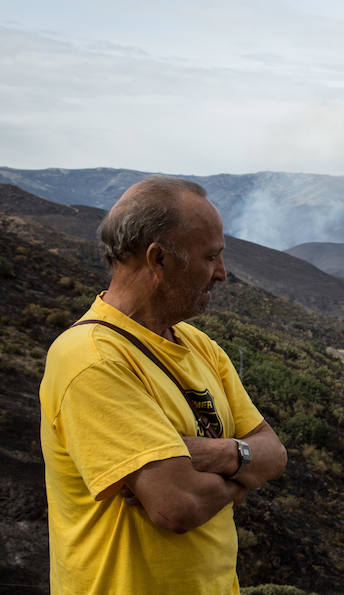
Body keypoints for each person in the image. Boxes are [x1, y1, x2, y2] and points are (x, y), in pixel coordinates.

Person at [39, 175, 288, 594]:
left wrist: (211, 453)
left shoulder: (198, 346)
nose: (222, 274)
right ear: (158, 259)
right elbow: (178, 507)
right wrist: (244, 475)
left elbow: (275, 454)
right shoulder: (92, 360)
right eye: (211, 257)